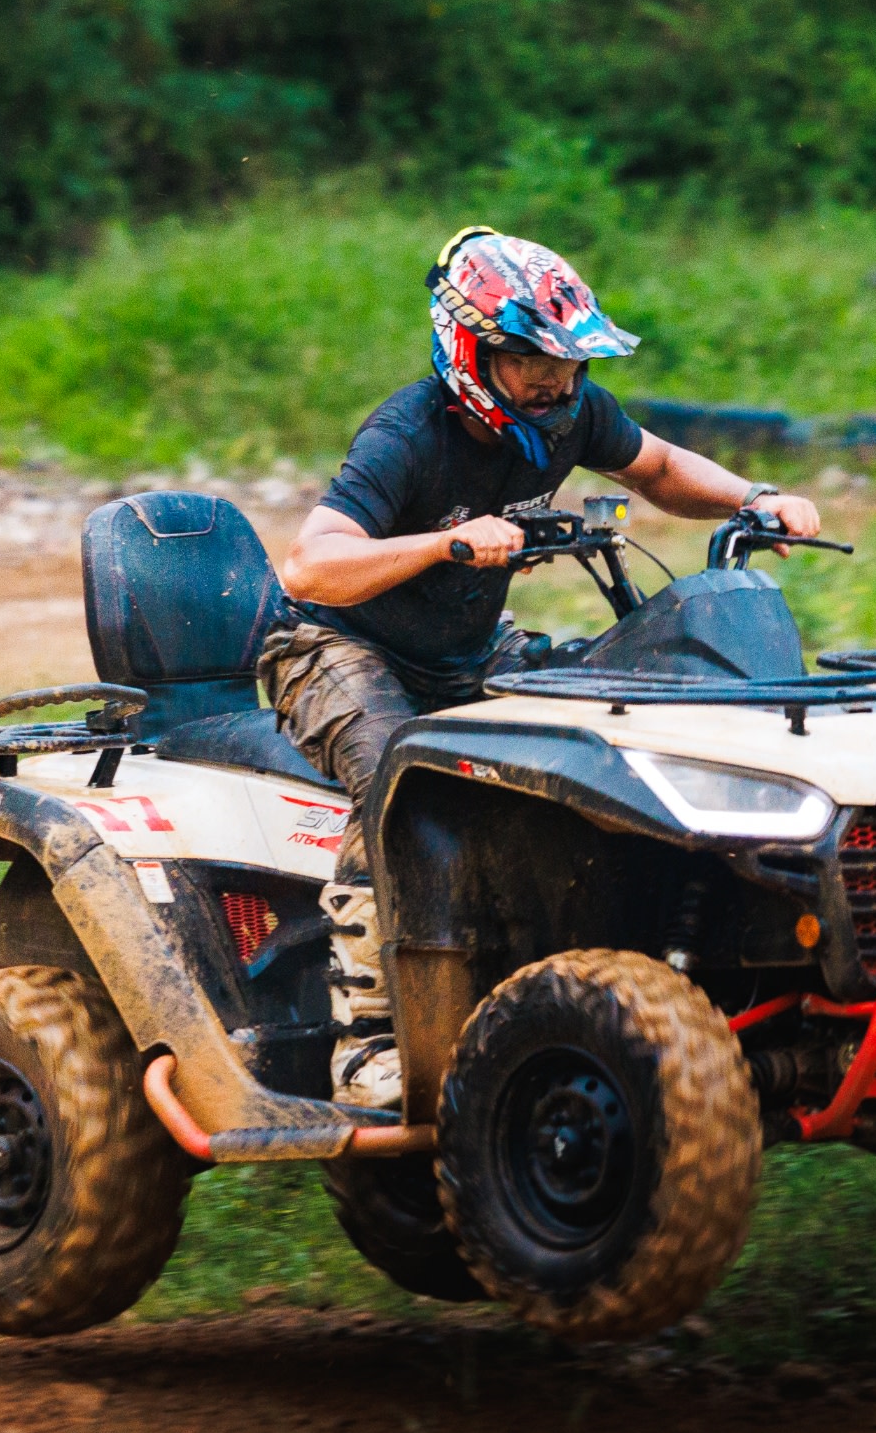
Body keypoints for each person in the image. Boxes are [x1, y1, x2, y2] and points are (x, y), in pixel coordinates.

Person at [262, 226, 821, 1108]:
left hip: (471, 650)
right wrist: (445, 541)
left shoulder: (568, 415)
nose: (553, 379)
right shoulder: (407, 432)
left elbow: (663, 469)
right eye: (529, 358)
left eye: (565, 360)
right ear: (470, 350)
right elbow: (308, 565)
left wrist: (754, 498)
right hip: (335, 646)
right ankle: (366, 1042)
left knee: (599, 727)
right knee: (398, 777)